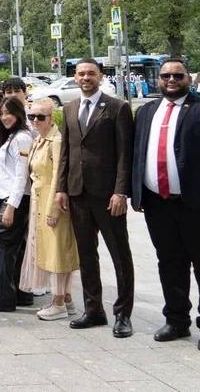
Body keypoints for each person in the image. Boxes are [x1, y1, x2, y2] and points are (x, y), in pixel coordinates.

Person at [132, 58, 200, 351]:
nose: (171, 80)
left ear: (189, 78)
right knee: (169, 263)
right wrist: (136, 193)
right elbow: (138, 154)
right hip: (158, 203)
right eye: (166, 75)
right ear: (158, 79)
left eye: (177, 75)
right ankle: (177, 320)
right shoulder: (146, 112)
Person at [55, 58, 136, 338]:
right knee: (87, 255)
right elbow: (66, 152)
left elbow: (125, 154)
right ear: (75, 77)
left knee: (119, 254)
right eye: (81, 74)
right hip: (78, 194)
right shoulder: (69, 109)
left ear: (100, 76)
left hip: (107, 196)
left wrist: (120, 191)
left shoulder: (118, 108)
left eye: (91, 73)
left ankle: (123, 314)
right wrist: (60, 188)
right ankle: (93, 310)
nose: (86, 77)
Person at [20, 98, 79, 321]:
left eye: (40, 117)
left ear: (51, 117)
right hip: (38, 200)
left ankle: (58, 302)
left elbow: (57, 176)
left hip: (53, 202)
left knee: (58, 253)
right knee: (50, 251)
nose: (35, 120)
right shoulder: (39, 139)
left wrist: (53, 209)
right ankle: (66, 298)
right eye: (31, 116)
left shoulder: (56, 140)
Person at [0, 98, 34, 311]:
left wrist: (11, 206)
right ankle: (19, 294)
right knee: (11, 247)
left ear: (19, 114)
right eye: (1, 113)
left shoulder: (22, 138)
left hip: (16, 199)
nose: (5, 117)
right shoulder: (10, 137)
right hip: (7, 197)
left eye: (9, 113)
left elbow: (22, 175)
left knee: (0, 244)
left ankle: (1, 298)